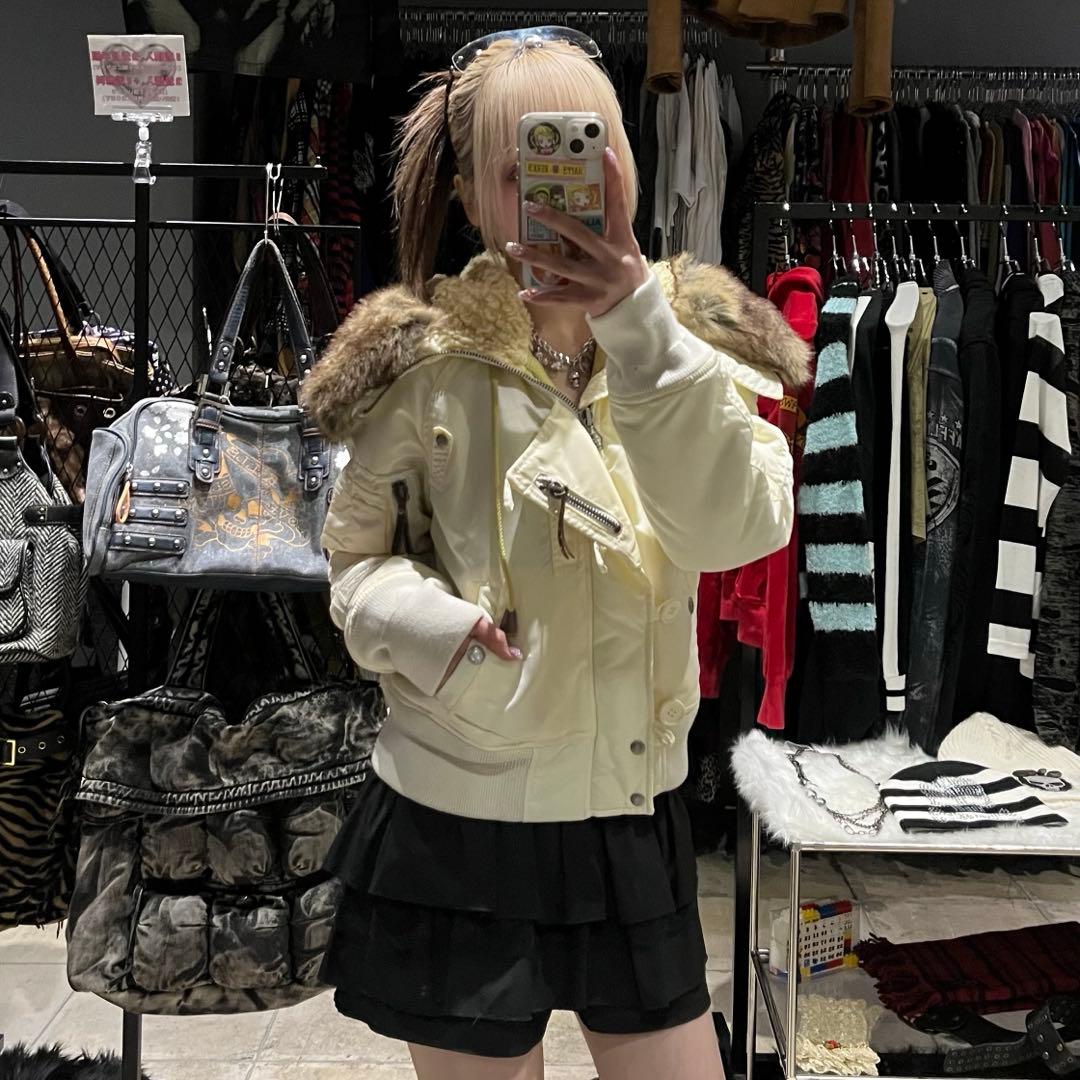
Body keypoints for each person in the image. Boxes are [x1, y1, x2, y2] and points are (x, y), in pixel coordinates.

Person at [301, 26, 809, 1080]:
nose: (567, 184)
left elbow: (738, 528)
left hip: (629, 810)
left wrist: (638, 325)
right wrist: (435, 629)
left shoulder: (695, 342)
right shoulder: (421, 365)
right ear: (475, 199)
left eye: (590, 146)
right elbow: (351, 566)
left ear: (626, 164)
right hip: (460, 807)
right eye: (523, 166)